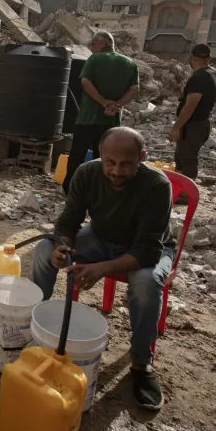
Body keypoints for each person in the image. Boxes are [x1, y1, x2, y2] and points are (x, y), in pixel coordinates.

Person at [32, 127, 173, 410]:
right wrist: (64, 247)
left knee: (146, 283)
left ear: (142, 158)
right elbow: (68, 222)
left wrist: (100, 269)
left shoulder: (157, 186)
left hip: (146, 249)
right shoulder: (87, 173)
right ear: (100, 155)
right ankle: (32, 332)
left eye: (126, 164)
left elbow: (147, 251)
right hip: (99, 236)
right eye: (110, 162)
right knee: (43, 250)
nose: (116, 171)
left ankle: (141, 366)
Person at [63, 31, 140, 194]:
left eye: (93, 44)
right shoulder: (130, 63)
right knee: (105, 157)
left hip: (88, 118)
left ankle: (70, 188)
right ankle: (102, 190)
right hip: (111, 121)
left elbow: (85, 83)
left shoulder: (94, 59)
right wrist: (116, 105)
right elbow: (135, 89)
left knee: (78, 154)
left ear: (102, 43)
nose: (92, 48)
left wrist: (104, 102)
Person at [168, 43, 216, 180]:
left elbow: (190, 105)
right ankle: (180, 188)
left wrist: (176, 127)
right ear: (209, 58)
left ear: (191, 58)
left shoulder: (199, 77)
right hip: (202, 122)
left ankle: (186, 193)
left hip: (194, 124)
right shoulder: (214, 73)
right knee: (181, 156)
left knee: (188, 159)